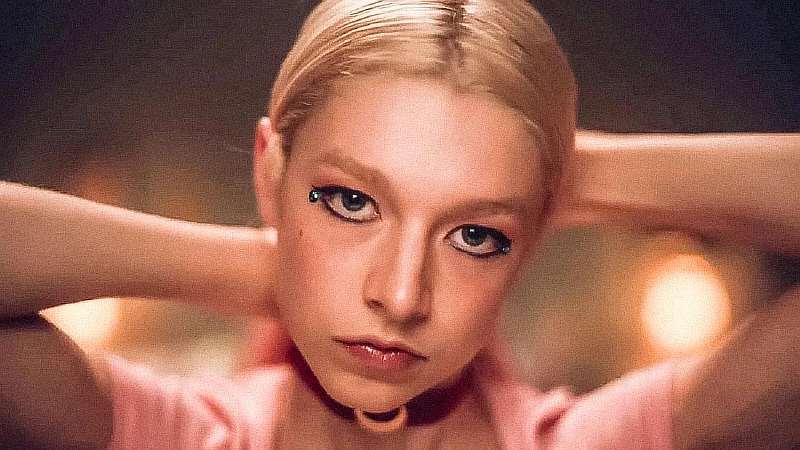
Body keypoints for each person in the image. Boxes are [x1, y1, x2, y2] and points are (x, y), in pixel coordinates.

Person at [1, 0, 799, 448]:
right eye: (350, 201)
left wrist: (566, 171)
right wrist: (269, 271)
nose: (402, 295)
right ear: (270, 171)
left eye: (477, 235)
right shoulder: (175, 436)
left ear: (529, 240)